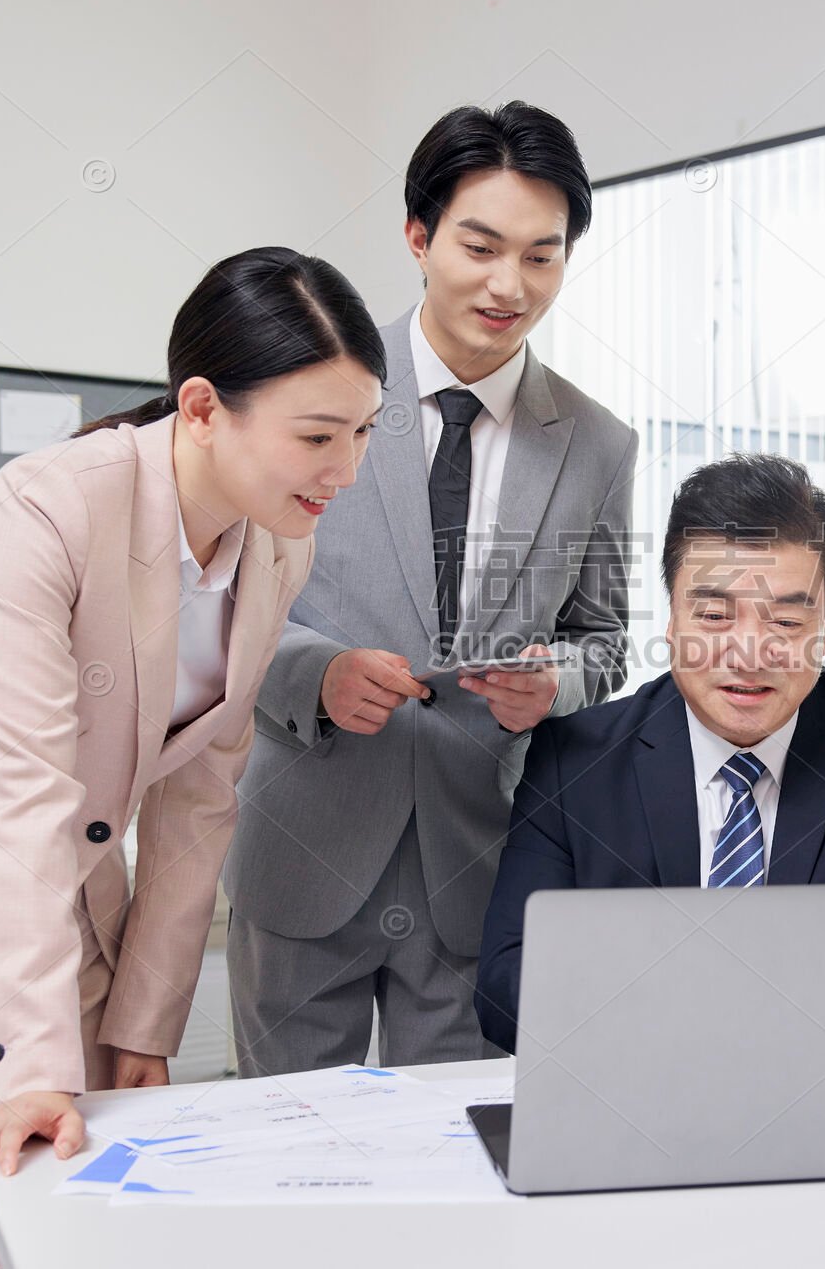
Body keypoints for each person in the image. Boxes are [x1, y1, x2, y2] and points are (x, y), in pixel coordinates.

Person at [0, 247, 385, 1266]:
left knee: (97, 1235)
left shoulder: (277, 539)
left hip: (61, 921)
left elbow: (201, 794)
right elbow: (14, 794)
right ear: (203, 407)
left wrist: (144, 1023)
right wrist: (35, 1068)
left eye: (361, 432)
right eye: (317, 436)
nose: (345, 470)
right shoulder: (44, 510)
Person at [225, 101, 637, 1073]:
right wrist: (310, 674)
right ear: (418, 236)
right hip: (305, 835)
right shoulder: (307, 386)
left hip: (477, 857)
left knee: (455, 1168)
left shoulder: (597, 442)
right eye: (481, 245)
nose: (509, 284)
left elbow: (604, 638)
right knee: (288, 1157)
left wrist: (557, 683)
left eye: (542, 254)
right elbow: (220, 594)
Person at [477, 454, 825, 1054]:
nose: (748, 653)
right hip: (640, 1106)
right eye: (714, 616)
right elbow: (509, 990)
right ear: (669, 620)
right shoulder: (576, 761)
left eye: (787, 622)